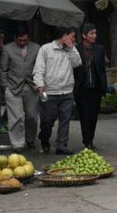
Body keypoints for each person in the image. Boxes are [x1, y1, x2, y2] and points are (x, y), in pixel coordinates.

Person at [33, 25, 83, 155]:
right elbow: (39, 69)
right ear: (64, 36)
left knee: (65, 120)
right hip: (49, 92)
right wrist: (39, 84)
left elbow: (77, 63)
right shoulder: (46, 49)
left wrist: (71, 47)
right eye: (72, 36)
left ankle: (61, 145)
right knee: (47, 120)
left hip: (67, 91)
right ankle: (44, 139)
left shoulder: (71, 49)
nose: (73, 39)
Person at [0, 24, 40, 152]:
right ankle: (18, 144)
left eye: (25, 40)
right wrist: (5, 86)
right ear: (15, 38)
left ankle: (30, 139)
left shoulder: (36, 48)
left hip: (31, 87)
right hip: (13, 87)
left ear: (29, 38)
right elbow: (2, 69)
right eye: (20, 40)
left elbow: (40, 67)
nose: (22, 42)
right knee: (16, 118)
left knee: (32, 116)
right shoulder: (7, 49)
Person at [73, 22, 107, 150]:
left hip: (95, 88)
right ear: (84, 35)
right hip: (82, 88)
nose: (94, 35)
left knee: (93, 115)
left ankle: (90, 138)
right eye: (92, 33)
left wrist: (104, 86)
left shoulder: (99, 49)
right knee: (84, 115)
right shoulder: (76, 49)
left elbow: (102, 69)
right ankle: (87, 141)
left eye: (95, 33)